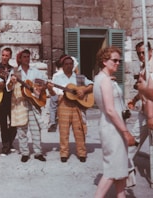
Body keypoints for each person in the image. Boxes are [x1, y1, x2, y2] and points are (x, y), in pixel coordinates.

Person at [93, 46, 135, 197]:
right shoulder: (105, 81)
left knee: (120, 173)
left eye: (119, 61)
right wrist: (126, 133)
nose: (118, 63)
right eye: (114, 60)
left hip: (112, 126)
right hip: (113, 129)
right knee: (112, 171)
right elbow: (110, 110)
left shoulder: (102, 79)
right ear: (104, 61)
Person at [49, 55, 93, 163]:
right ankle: (64, 153)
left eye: (70, 64)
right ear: (62, 66)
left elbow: (92, 85)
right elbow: (54, 93)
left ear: (73, 65)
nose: (68, 66)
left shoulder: (79, 77)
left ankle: (82, 152)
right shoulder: (57, 78)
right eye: (66, 64)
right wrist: (50, 89)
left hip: (77, 105)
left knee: (79, 130)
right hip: (63, 104)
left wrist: (83, 91)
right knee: (64, 131)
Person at [6, 49, 47, 163]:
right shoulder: (14, 72)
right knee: (21, 130)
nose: (26, 59)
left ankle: (38, 152)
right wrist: (12, 82)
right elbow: (8, 87)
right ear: (19, 58)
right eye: (24, 57)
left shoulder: (35, 71)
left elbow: (44, 82)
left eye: (28, 56)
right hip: (20, 104)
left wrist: (39, 88)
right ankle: (24, 153)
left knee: (35, 129)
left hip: (33, 102)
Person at [126, 41, 153, 187]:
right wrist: (135, 99)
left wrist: (150, 117)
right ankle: (127, 168)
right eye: (138, 53)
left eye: (144, 52)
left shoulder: (152, 67)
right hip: (144, 111)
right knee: (134, 139)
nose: (141, 55)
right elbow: (143, 90)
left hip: (151, 112)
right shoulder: (145, 66)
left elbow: (151, 93)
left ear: (151, 50)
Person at [0, 48, 17, 156]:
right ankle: (5, 147)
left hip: (11, 99)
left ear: (10, 57)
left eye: (7, 55)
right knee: (3, 123)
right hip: (0, 98)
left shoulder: (13, 69)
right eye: (3, 55)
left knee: (14, 123)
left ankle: (10, 143)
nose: (4, 57)